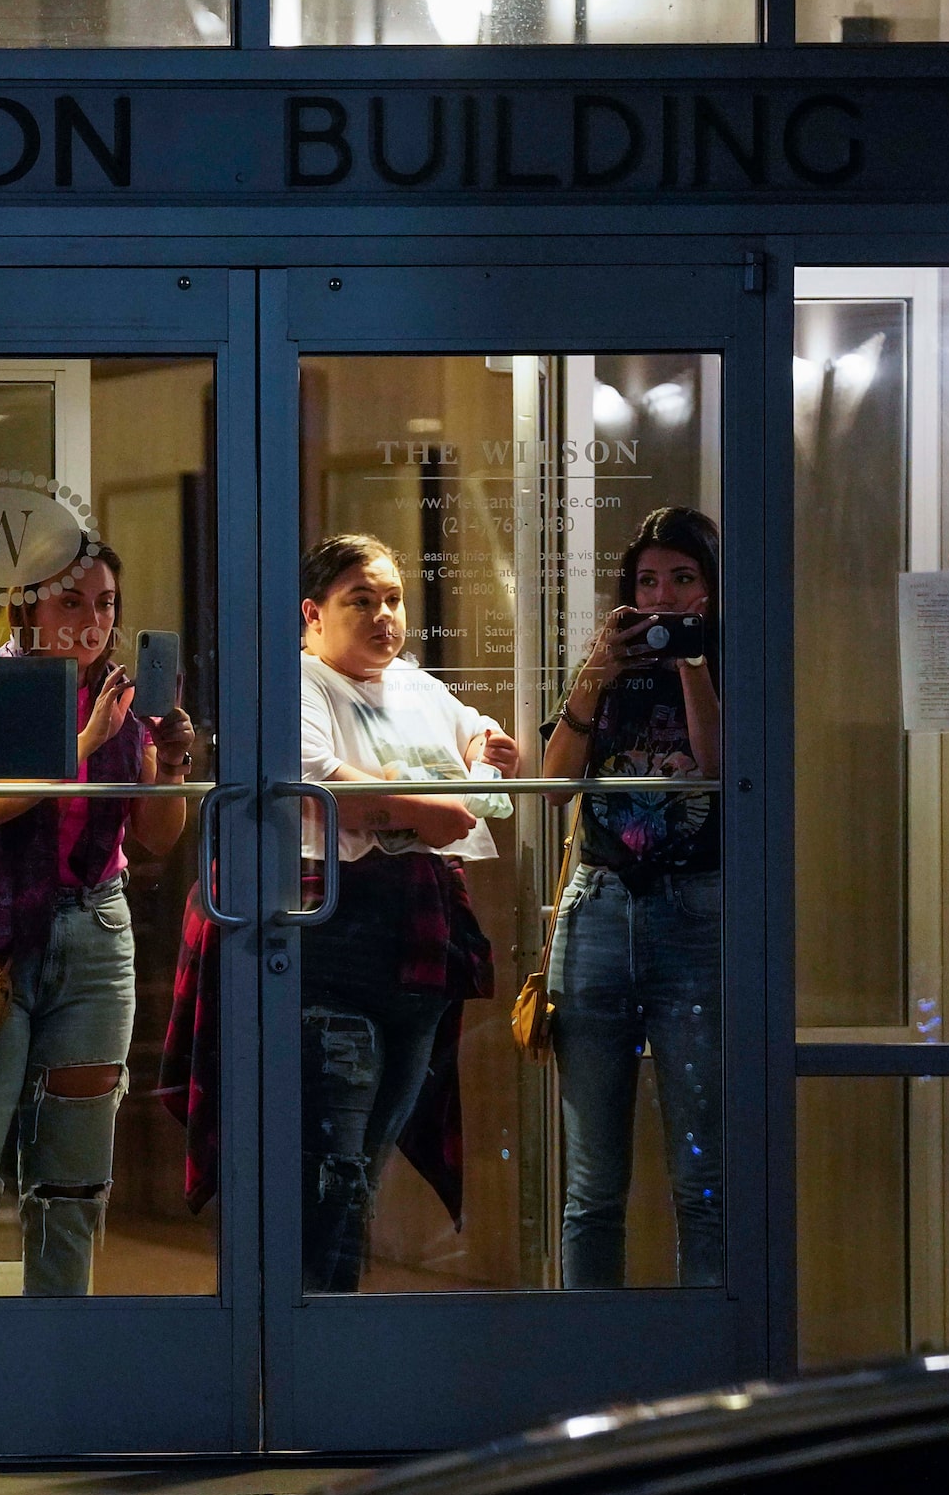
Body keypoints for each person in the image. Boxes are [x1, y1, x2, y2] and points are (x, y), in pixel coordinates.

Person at [0, 546, 194, 1297]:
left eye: (105, 605)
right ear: (27, 607)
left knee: (73, 1174)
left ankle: (59, 1357)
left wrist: (168, 767)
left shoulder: (125, 700)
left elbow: (156, 839)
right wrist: (86, 744)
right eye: (71, 603)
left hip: (96, 925)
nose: (92, 622)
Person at [294, 533, 515, 1294]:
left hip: (420, 944)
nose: (384, 615)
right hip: (336, 941)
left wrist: (488, 747)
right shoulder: (301, 682)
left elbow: (481, 743)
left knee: (369, 1163)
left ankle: (331, 1321)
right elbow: (317, 776)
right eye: (360, 599)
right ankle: (313, 1330)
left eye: (392, 599)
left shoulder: (417, 685)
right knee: (335, 1164)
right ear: (312, 615)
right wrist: (421, 807)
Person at [539, 503, 725, 1289]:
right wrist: (593, 677)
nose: (662, 599)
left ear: (711, 588)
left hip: (696, 915)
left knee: (703, 1178)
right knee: (590, 1187)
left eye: (682, 580)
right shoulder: (605, 672)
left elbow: (724, 776)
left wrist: (690, 664)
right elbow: (550, 787)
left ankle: (711, 1363)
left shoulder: (731, 661)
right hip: (599, 912)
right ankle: (590, 1358)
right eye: (647, 582)